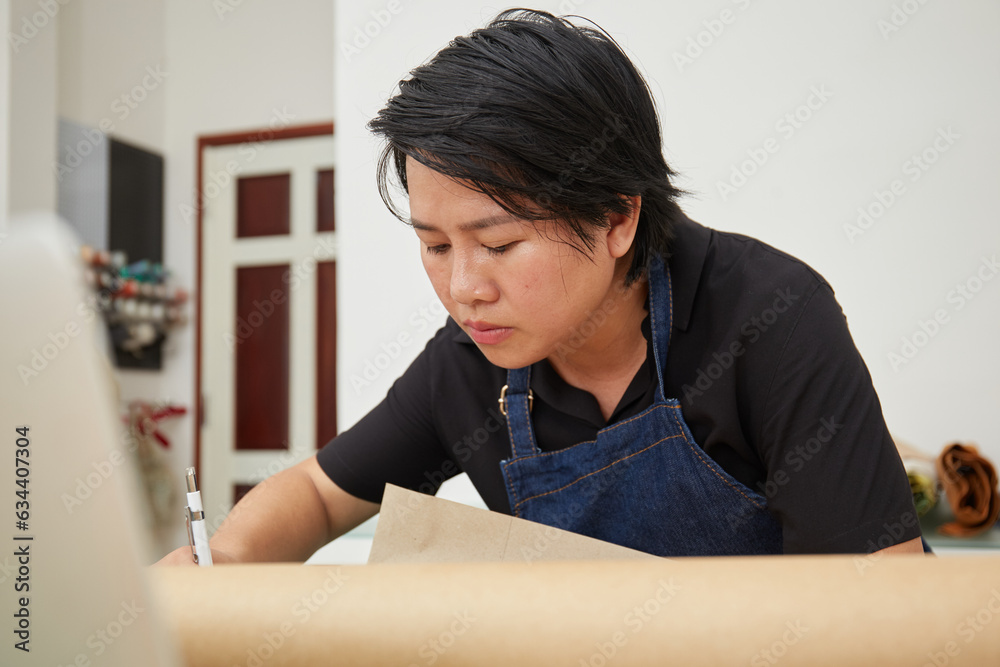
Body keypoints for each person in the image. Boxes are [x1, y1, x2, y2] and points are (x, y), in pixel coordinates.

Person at [157, 8, 924, 565]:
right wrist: (224, 561)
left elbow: (876, 603)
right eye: (434, 245)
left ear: (618, 216)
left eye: (498, 244)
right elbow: (320, 493)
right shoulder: (469, 362)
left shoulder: (770, 317)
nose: (464, 288)